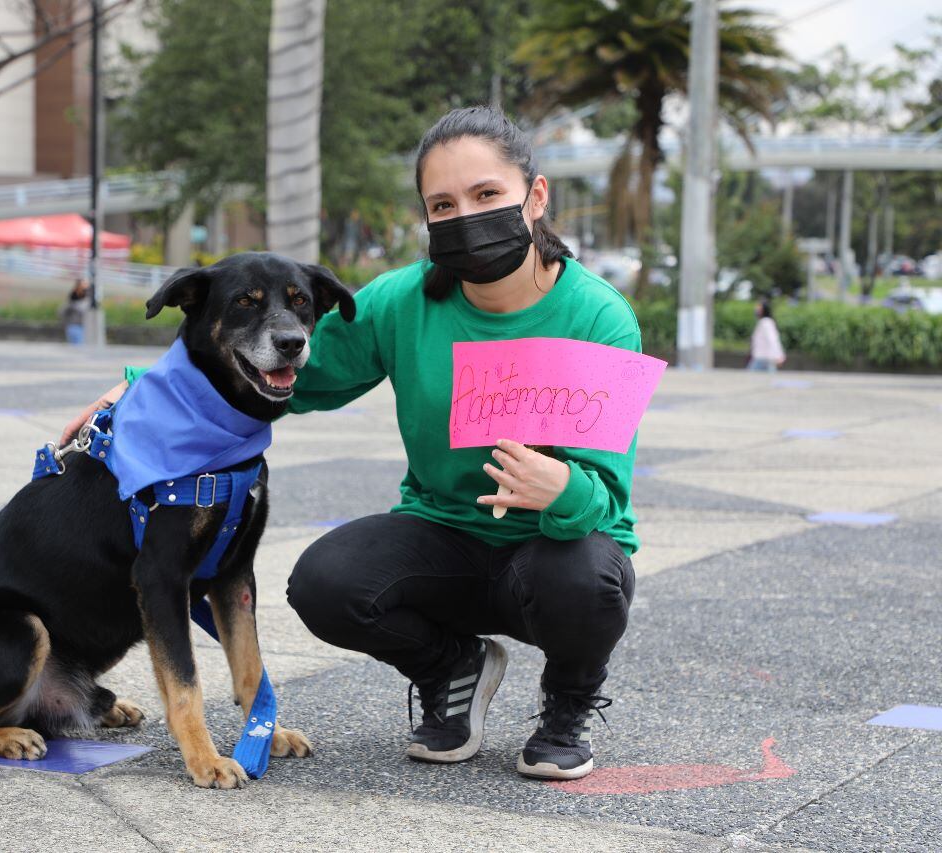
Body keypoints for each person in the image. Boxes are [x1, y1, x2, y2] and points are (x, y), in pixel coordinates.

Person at [60, 107, 640, 781]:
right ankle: (452, 666)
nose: (465, 216)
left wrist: (562, 488)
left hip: (552, 548)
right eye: (443, 204)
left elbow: (608, 498)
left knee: (588, 579)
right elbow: (281, 370)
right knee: (326, 581)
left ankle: (567, 706)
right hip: (444, 535)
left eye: (487, 195)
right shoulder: (403, 301)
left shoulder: (601, 316)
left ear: (535, 197)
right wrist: (141, 391)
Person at [748, 299, 785, 372]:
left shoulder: (766, 322)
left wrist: (779, 356)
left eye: (759, 307)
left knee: (749, 379)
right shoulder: (763, 322)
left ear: (764, 309)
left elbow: (773, 340)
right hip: (763, 358)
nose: (756, 308)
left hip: (763, 359)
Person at [61, 279, 90, 345]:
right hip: (74, 326)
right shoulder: (73, 299)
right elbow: (62, 311)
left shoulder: (86, 297)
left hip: (81, 326)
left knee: (77, 346)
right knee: (78, 346)